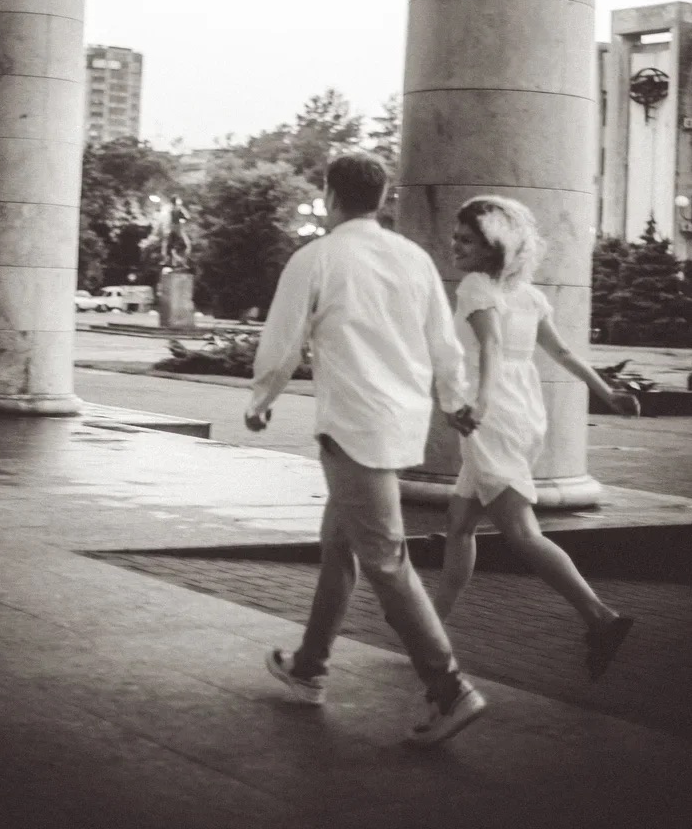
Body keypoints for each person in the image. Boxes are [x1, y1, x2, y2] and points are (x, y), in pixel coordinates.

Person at [244, 151, 487, 746]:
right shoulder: (413, 259)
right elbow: (444, 342)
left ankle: (449, 688)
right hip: (399, 424)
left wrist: (261, 399)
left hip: (353, 428)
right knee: (339, 546)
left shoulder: (317, 257)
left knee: (384, 560)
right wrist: (455, 400)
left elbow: (283, 340)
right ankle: (309, 666)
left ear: (330, 195)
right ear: (381, 199)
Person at [435, 195, 640, 680]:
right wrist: (608, 394)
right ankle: (431, 626)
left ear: (494, 247)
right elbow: (563, 352)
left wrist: (480, 404)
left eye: (467, 241)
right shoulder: (527, 295)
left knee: (522, 532)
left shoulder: (476, 287)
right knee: (460, 524)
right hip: (523, 413)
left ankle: (599, 617)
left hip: (494, 416)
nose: (456, 246)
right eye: (456, 237)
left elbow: (490, 346)